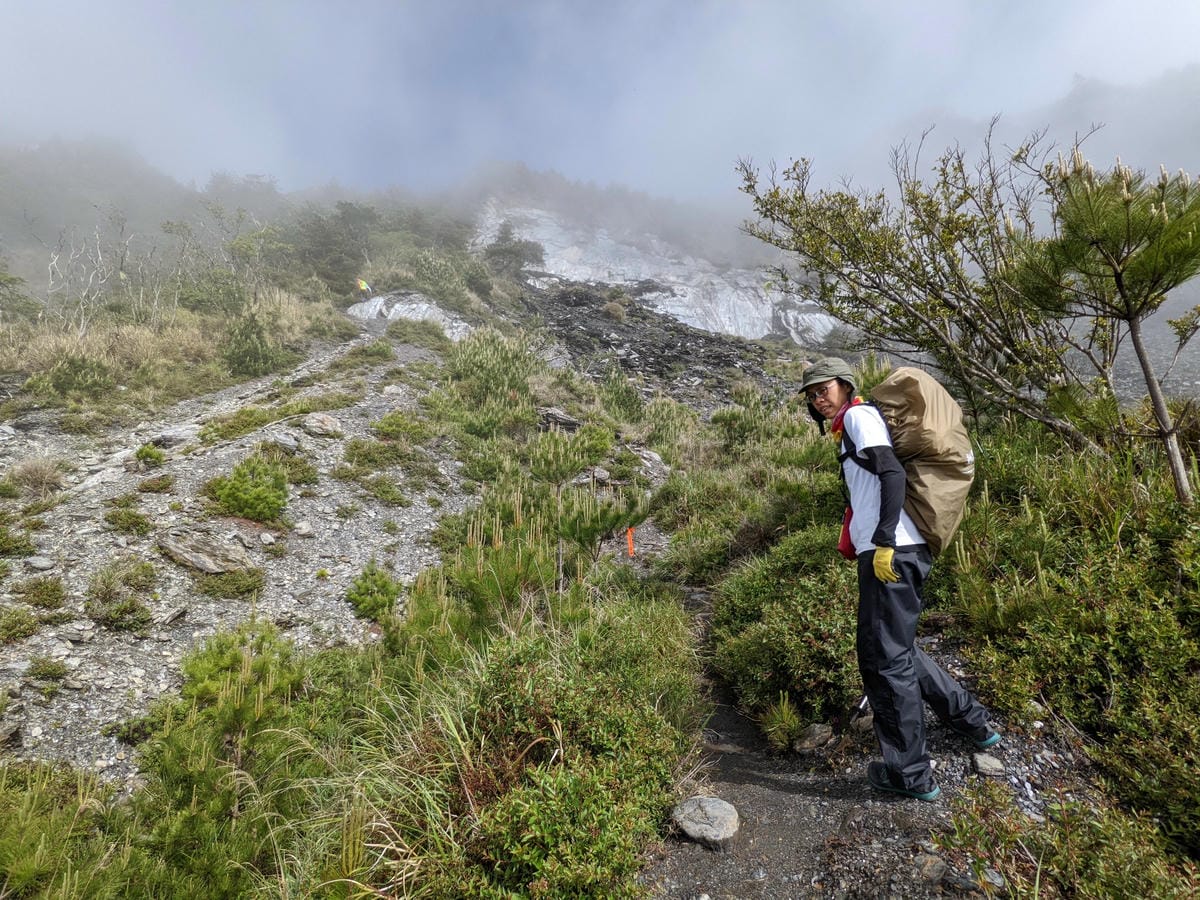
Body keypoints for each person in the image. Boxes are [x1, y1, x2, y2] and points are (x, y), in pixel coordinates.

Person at [800, 357, 1000, 801]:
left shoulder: (858, 416)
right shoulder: (855, 421)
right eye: (812, 394)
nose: (819, 398)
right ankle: (974, 723)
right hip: (897, 548)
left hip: (894, 550)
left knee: (883, 659)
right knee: (899, 647)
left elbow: (890, 470)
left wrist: (884, 539)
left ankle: (910, 773)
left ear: (845, 386)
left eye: (824, 388)